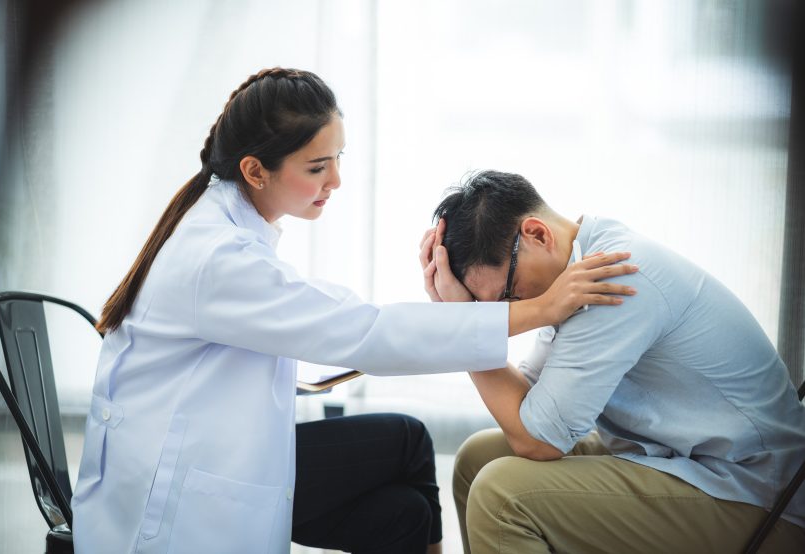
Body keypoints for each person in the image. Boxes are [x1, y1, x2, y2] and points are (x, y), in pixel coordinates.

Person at [70, 69, 637, 554]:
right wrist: (540, 309)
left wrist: (451, 320)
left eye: (337, 159)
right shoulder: (217, 258)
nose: (335, 181)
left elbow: (335, 330)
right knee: (407, 467)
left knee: (405, 502)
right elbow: (362, 332)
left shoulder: (227, 228)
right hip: (172, 503)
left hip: (219, 456)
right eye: (317, 167)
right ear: (254, 171)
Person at [418, 169, 805, 553]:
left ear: (537, 235)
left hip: (756, 493)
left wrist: (464, 328)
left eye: (507, 296)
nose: (509, 313)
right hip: (681, 462)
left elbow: (538, 441)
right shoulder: (578, 264)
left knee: (501, 495)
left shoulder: (615, 276)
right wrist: (467, 323)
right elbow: (531, 403)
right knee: (476, 459)